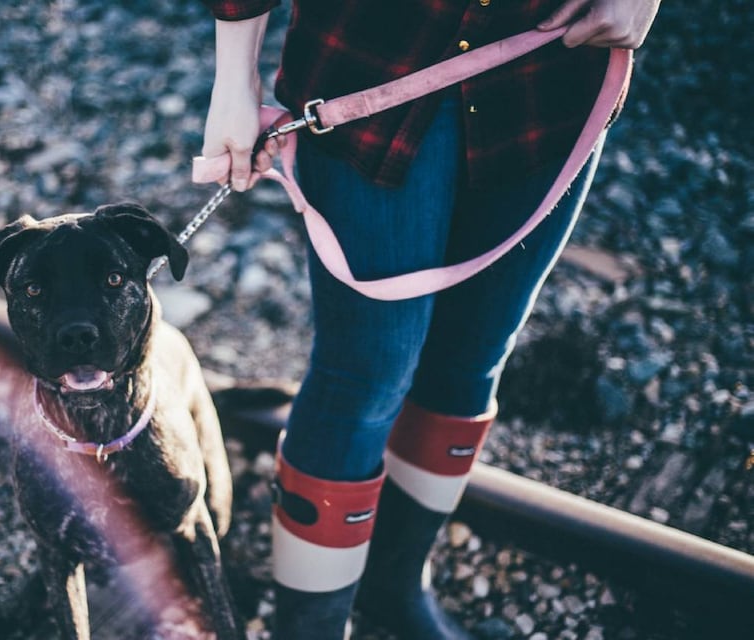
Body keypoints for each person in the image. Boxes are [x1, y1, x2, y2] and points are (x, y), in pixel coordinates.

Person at [198, 1, 662, 638]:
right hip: (371, 71)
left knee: (473, 361)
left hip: (550, 82)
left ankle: (393, 584)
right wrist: (234, 80)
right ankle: (309, 628)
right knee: (363, 377)